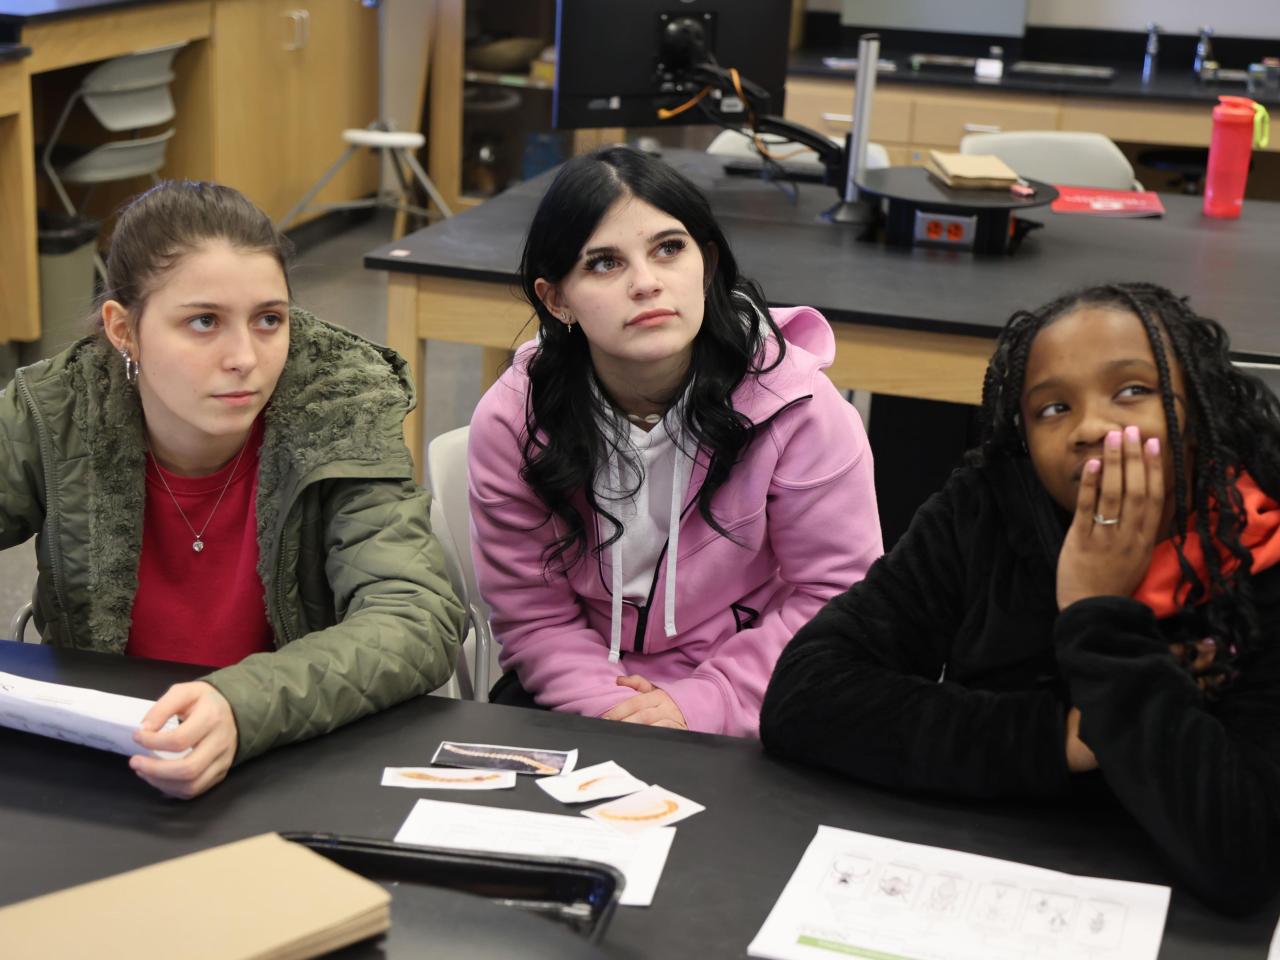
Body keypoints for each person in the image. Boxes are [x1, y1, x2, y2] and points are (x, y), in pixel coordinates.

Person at [760, 282, 1280, 913]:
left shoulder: (1261, 550)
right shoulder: (988, 507)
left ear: (1199, 409)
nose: (1091, 427)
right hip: (991, 881)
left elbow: (1246, 855)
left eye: (1133, 391)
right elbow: (807, 696)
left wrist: (1096, 610)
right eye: (1052, 409)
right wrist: (1059, 738)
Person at [0, 181, 464, 799]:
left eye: (269, 319)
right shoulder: (55, 410)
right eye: (203, 322)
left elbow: (416, 618)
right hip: (110, 763)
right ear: (123, 330)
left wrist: (242, 705)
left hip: (295, 754)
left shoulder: (340, 404)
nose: (245, 356)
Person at [468, 147, 882, 737]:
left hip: (754, 688)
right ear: (557, 299)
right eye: (604, 263)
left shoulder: (800, 409)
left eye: (669, 249)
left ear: (706, 265)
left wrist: (702, 702)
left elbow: (838, 595)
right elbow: (535, 619)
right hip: (580, 691)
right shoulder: (515, 423)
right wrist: (617, 709)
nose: (646, 284)